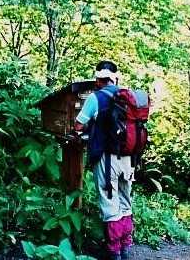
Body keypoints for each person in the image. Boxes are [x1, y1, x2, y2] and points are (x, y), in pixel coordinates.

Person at [73, 61, 133, 260]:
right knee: (125, 203)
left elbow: (78, 126)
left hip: (108, 161)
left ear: (98, 80)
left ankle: (113, 251)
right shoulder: (127, 96)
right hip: (129, 159)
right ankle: (125, 247)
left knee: (110, 205)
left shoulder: (95, 98)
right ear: (115, 78)